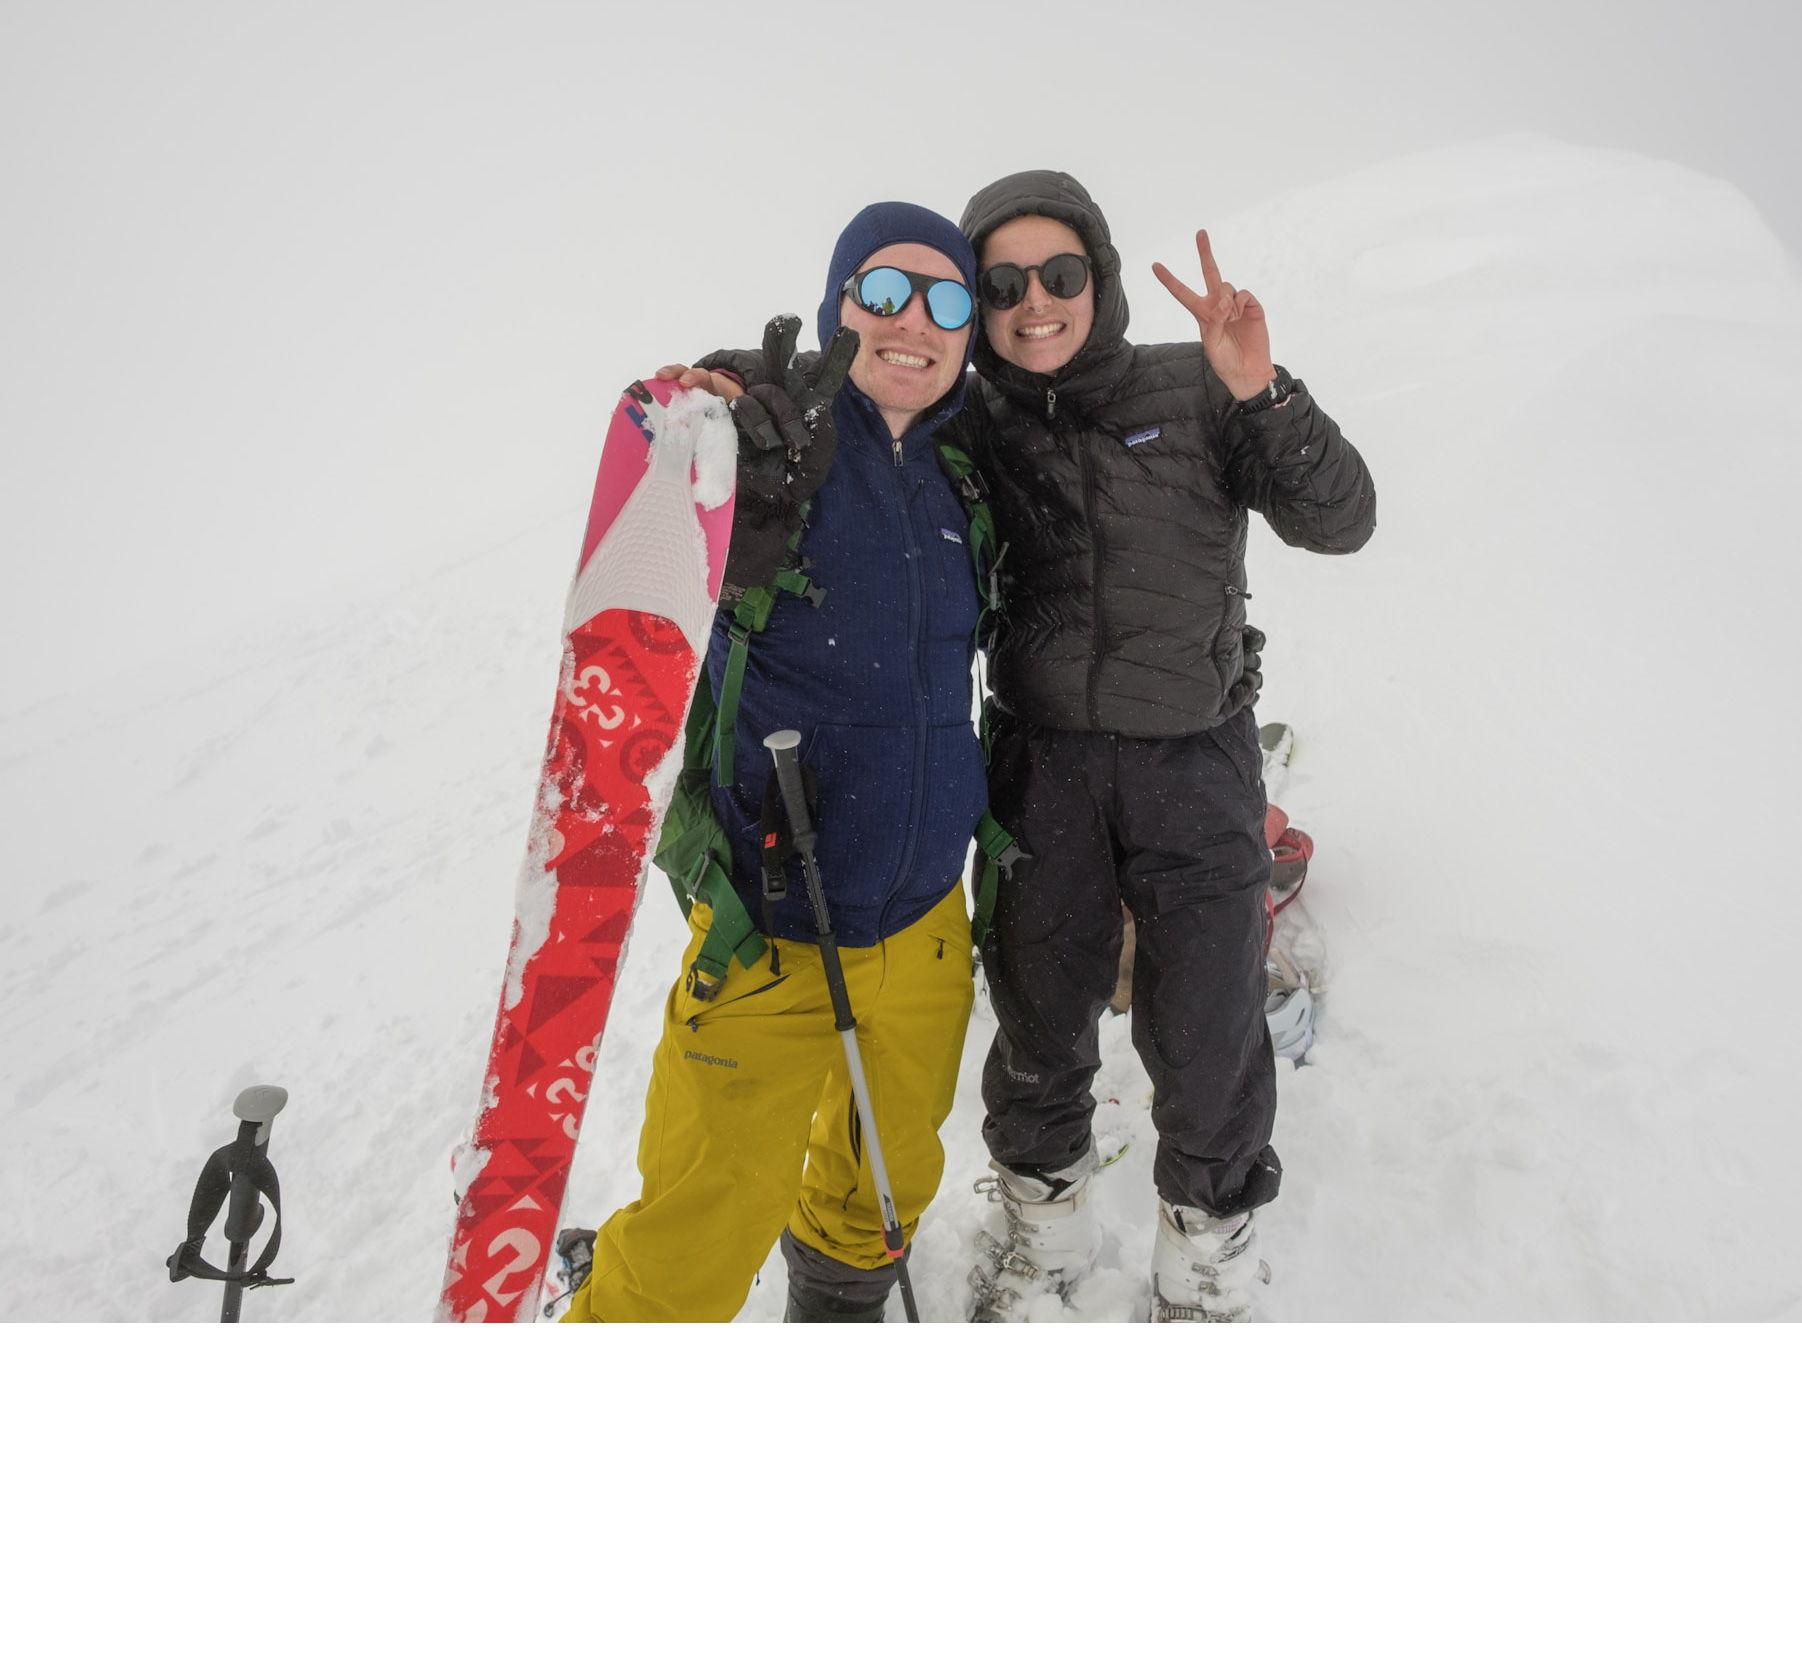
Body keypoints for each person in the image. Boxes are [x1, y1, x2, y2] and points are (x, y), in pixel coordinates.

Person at [951, 169, 1374, 1322]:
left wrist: (1265, 392)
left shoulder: (1193, 389)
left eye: (1058, 273)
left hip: (1192, 760)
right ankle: (1043, 1234)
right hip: (1040, 769)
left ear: (1098, 276)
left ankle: (1205, 1256)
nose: (1033, 300)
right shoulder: (972, 419)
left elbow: (1341, 520)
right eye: (1001, 282)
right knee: (1036, 1019)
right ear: (977, 305)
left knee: (1206, 1031)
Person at [566, 201, 989, 1323]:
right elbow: (686, 492)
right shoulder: (783, 443)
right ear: (836, 305)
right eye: (882, 290)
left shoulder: (965, 478)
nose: (914, 320)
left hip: (922, 929)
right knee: (694, 1227)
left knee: (881, 1179)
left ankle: (837, 1305)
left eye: (946, 299)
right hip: (769, 928)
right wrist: (708, 431)